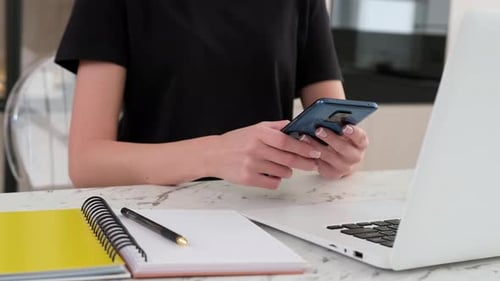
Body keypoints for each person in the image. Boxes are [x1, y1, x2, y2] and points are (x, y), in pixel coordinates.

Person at [55, 0, 370, 189]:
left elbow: (335, 122)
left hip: (272, 214)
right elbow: (86, 163)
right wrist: (215, 154)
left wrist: (342, 155)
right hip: (150, 218)